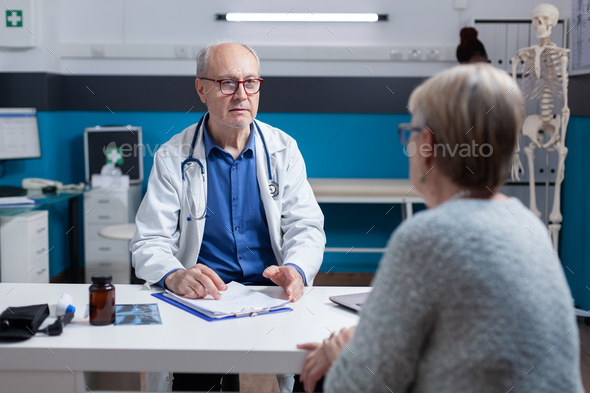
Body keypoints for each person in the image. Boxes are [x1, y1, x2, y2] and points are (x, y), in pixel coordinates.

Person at [297, 64, 584, 393]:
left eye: (410, 132)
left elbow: (358, 386)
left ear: (428, 145)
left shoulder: (427, 237)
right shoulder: (528, 224)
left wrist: (346, 349)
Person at [130, 40, 325, 392]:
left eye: (250, 82)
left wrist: (295, 268)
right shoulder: (172, 156)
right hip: (205, 300)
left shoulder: (284, 149)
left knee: (317, 372)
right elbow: (149, 241)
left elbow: (306, 226)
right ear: (201, 88)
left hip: (272, 296)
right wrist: (174, 275)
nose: (241, 95)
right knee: (197, 379)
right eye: (227, 83)